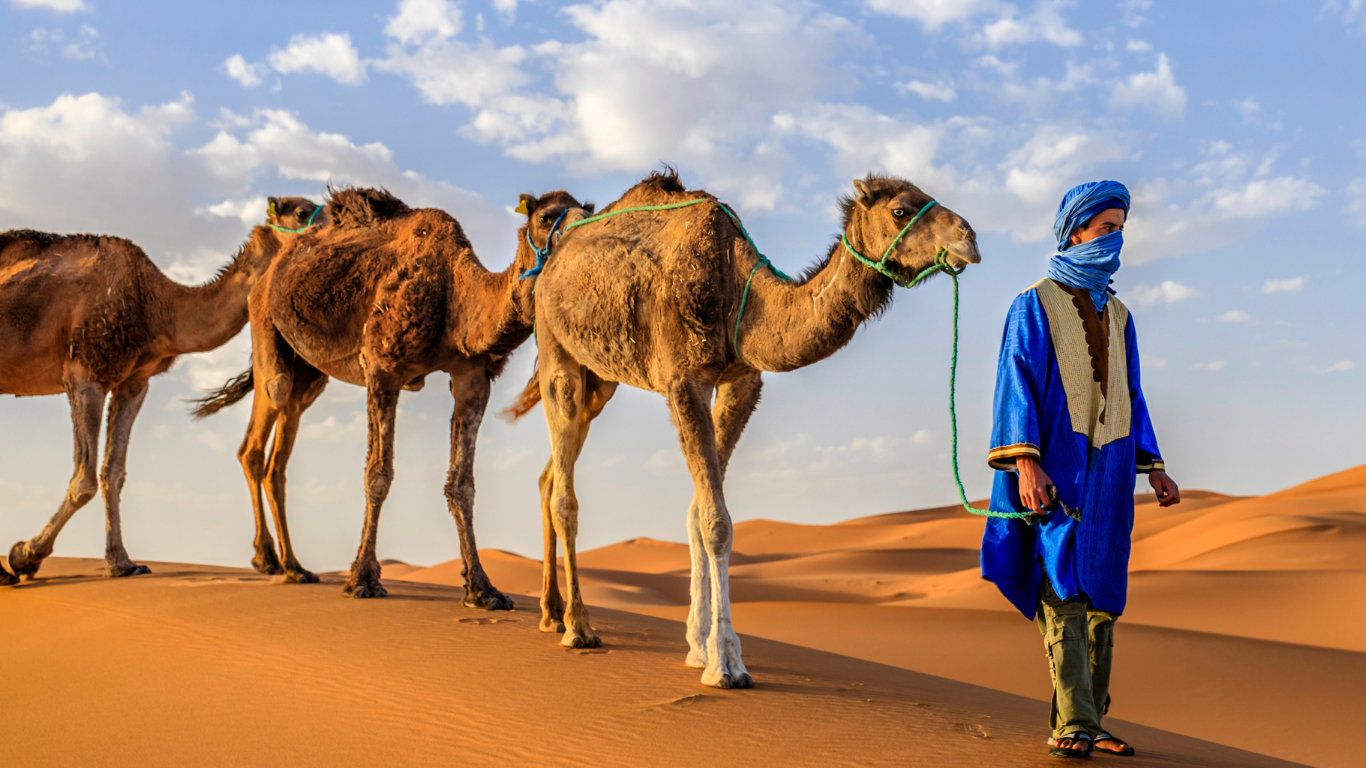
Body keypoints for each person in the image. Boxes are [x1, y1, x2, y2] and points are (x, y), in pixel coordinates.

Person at [981, 180, 1181, 759]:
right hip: (1056, 466)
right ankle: (1072, 722)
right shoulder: (1033, 303)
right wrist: (1026, 462)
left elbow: (1131, 392)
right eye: (1105, 229)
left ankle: (1092, 719)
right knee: (1062, 586)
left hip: (1113, 465)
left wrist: (1154, 466)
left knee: (1103, 592)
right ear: (1075, 232)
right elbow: (1013, 382)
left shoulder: (1119, 314)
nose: (1115, 240)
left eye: (1121, 229)